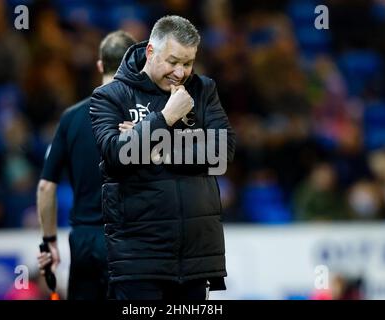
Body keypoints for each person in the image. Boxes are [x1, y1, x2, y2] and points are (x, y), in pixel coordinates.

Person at [90, 15, 236, 300]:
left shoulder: (204, 90)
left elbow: (221, 152)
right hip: (138, 260)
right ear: (150, 52)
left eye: (188, 63)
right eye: (173, 62)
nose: (181, 73)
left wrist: (154, 146)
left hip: (196, 258)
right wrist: (167, 117)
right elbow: (117, 154)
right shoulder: (110, 96)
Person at [36, 30, 136, 300]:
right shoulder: (144, 119)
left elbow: (46, 187)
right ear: (135, 66)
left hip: (84, 240)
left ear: (100, 65)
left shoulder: (70, 118)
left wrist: (50, 242)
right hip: (130, 239)